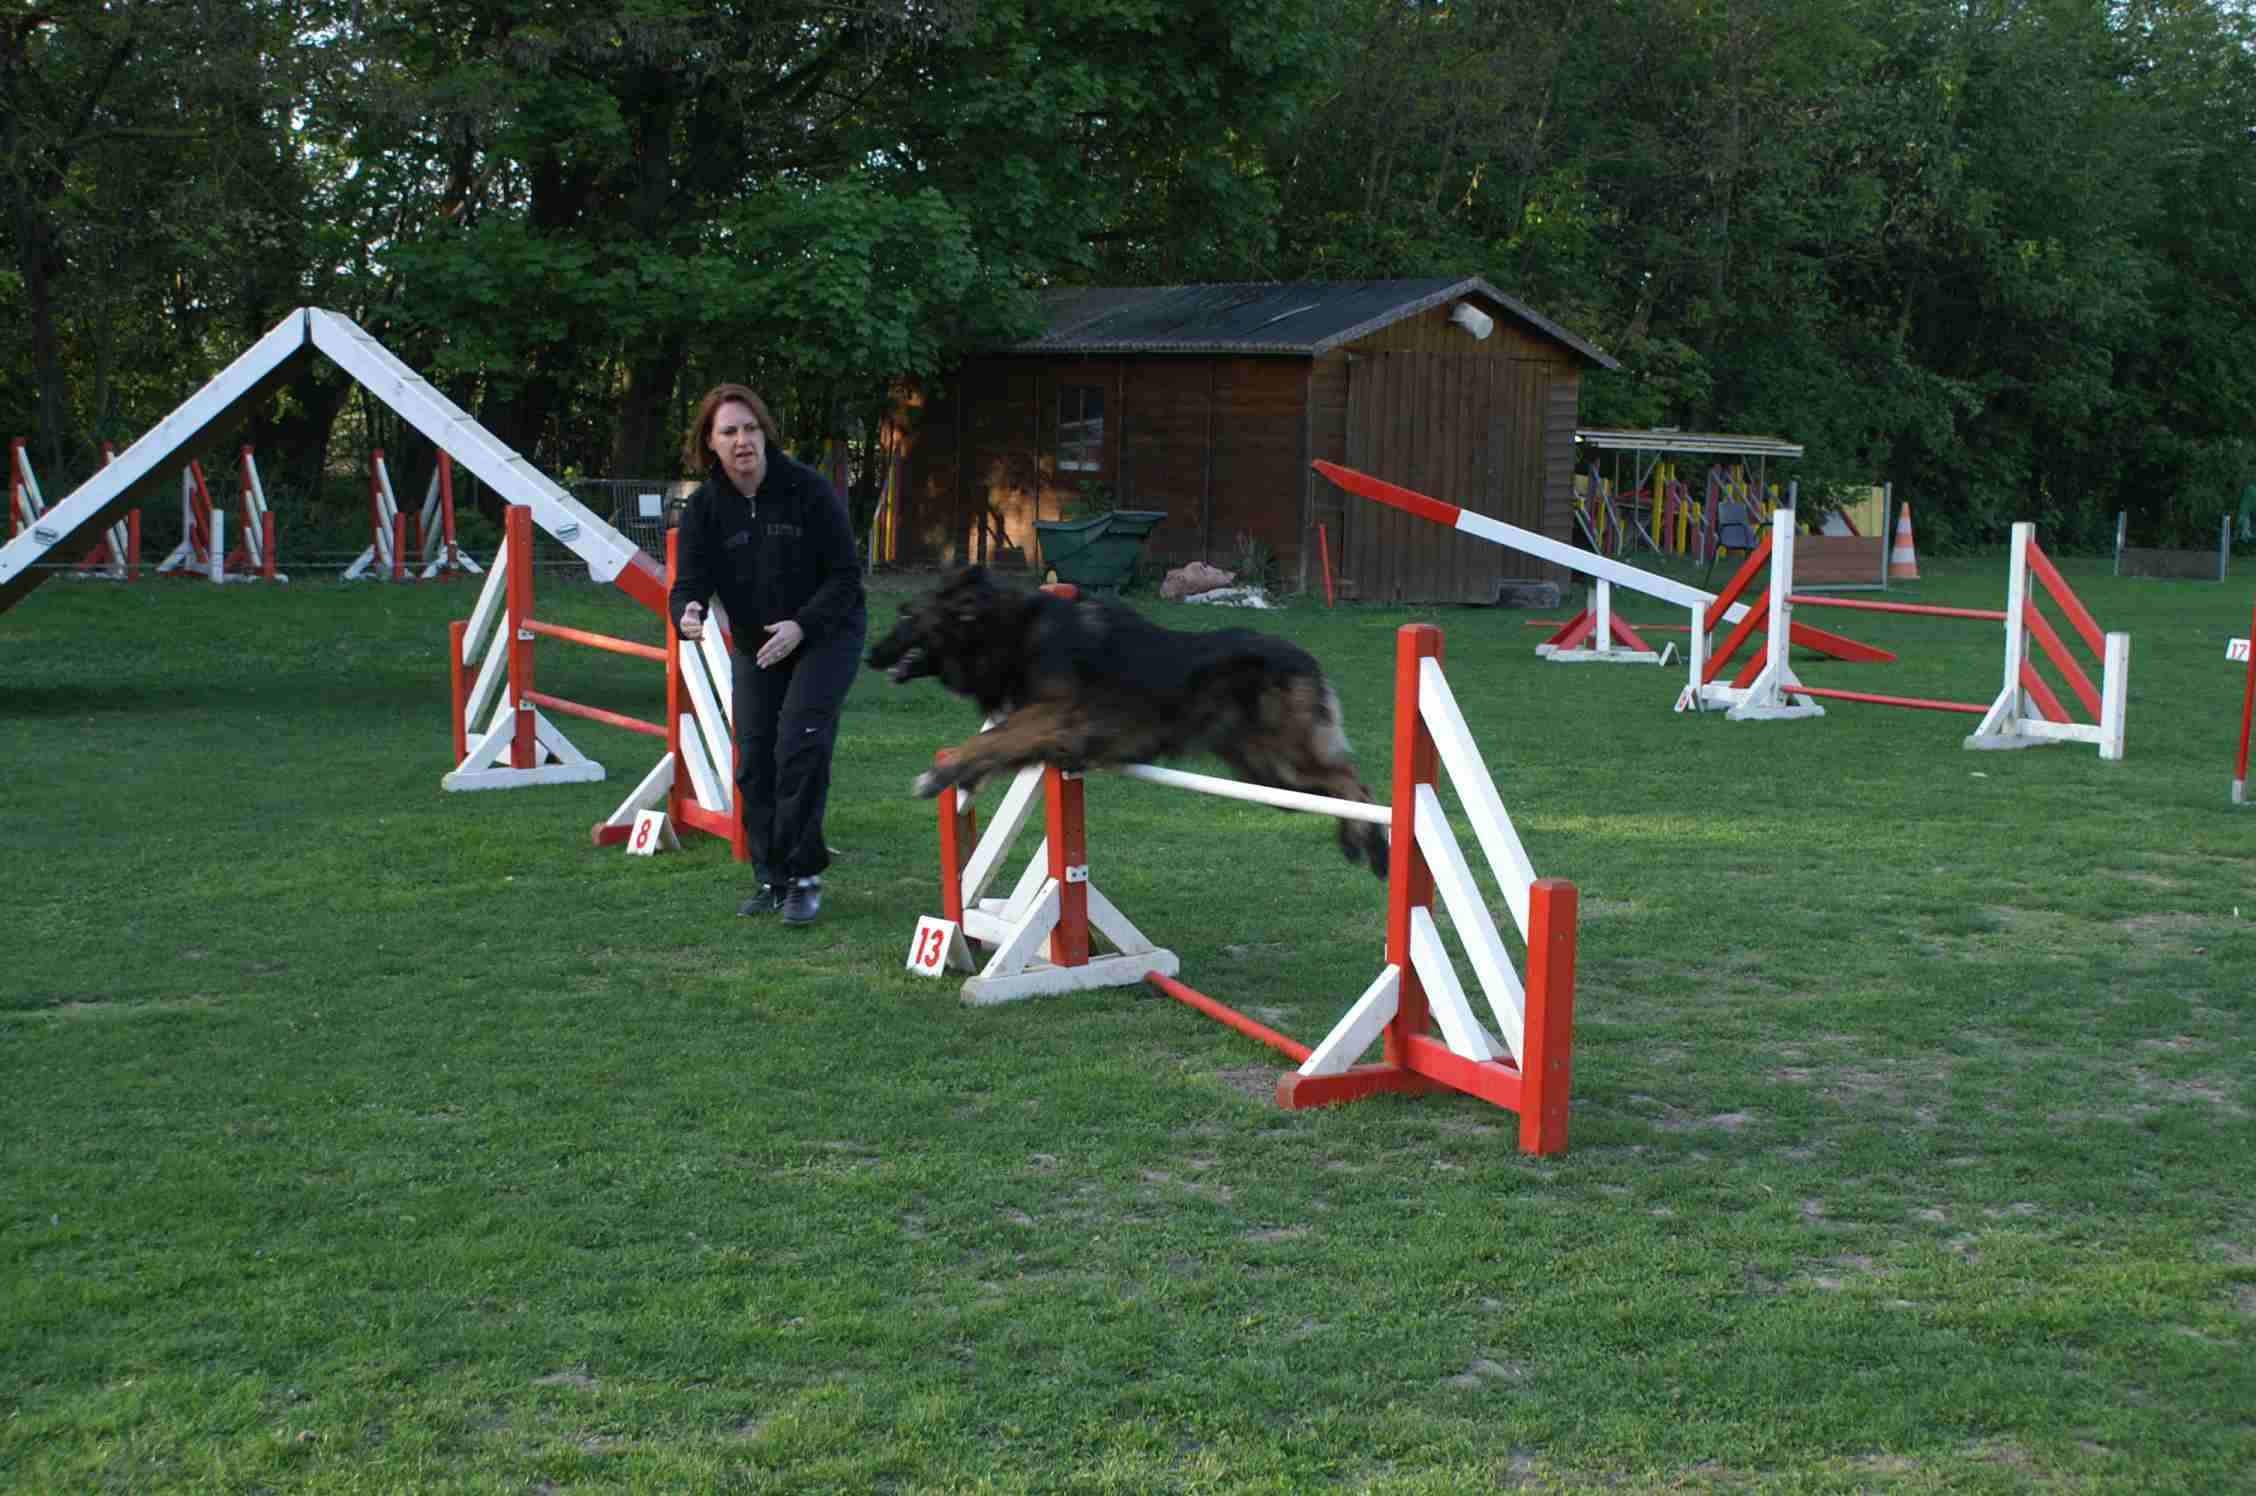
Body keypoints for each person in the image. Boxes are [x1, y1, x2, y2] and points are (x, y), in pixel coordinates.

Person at [670, 383, 866, 925]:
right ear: (710, 443)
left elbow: (846, 576)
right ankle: (771, 878)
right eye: (729, 432)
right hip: (758, 644)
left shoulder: (808, 489)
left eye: (750, 428)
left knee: (800, 742)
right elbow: (688, 584)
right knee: (755, 760)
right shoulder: (704, 509)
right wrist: (688, 612)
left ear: (765, 433)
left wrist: (802, 626)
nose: (742, 440)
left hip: (825, 633)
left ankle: (803, 878)